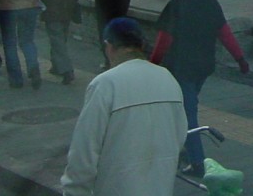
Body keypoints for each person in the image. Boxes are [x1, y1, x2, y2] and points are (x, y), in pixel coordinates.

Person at [61, 17, 187, 196]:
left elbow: (84, 151)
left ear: (108, 46)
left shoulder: (105, 84)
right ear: (141, 45)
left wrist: (74, 191)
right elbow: (179, 137)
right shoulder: (167, 78)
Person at [150, 0, 250, 177]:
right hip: (203, 67)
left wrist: (152, 65)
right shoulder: (211, 3)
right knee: (184, 107)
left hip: (181, 67)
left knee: (187, 113)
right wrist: (240, 59)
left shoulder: (176, 5)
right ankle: (183, 148)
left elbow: (164, 40)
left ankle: (196, 161)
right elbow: (225, 34)